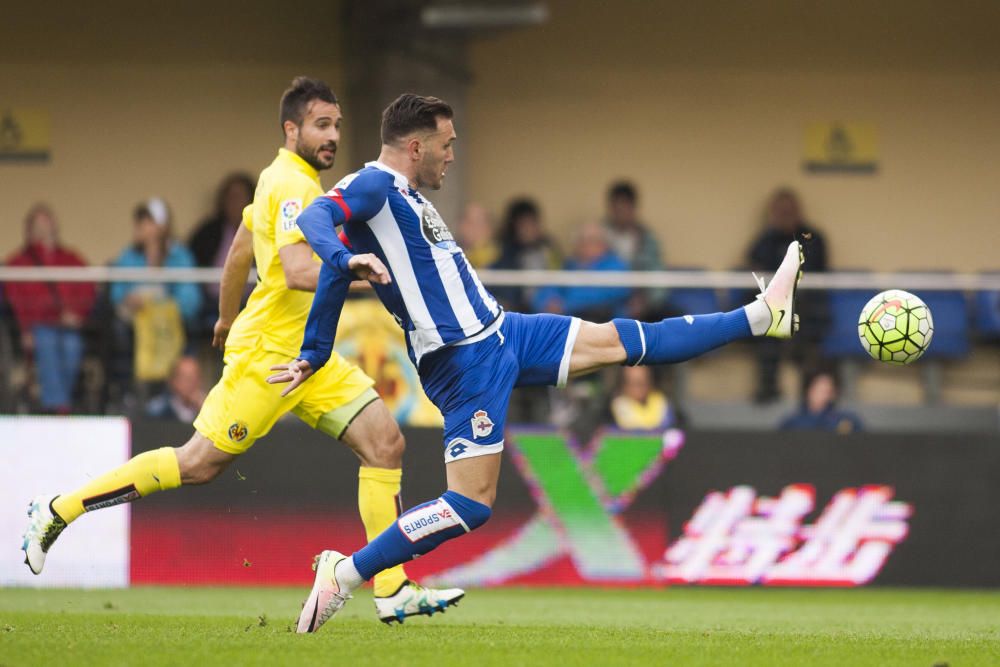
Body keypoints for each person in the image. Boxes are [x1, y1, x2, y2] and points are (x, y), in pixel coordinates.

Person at [268, 93, 806, 632]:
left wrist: (316, 349)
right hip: (462, 362)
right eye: (447, 145)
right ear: (415, 146)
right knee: (471, 503)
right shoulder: (373, 186)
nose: (452, 155)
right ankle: (346, 572)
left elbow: (345, 270)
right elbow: (317, 217)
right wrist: (337, 269)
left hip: (504, 332)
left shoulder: (406, 193)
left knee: (622, 339)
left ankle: (761, 316)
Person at [22, 77, 462, 624]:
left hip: (307, 356)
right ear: (291, 128)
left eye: (337, 126)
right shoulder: (295, 186)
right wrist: (369, 271)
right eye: (322, 125)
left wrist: (227, 317)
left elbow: (237, 254)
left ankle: (392, 588)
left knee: (386, 443)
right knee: (197, 464)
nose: (332, 137)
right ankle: (59, 510)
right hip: (271, 358)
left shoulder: (277, 179)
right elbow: (301, 270)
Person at [4, 204, 96, 413]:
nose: (46, 228)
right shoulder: (18, 263)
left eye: (49, 222)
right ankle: (60, 409)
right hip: (38, 328)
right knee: (46, 339)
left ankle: (57, 405)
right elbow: (16, 301)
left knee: (72, 345)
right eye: (40, 223)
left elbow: (87, 290)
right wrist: (25, 328)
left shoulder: (71, 258)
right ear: (29, 229)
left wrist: (76, 315)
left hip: (68, 327)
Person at [747, 188, 829, 402]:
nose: (785, 215)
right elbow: (758, 271)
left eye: (789, 211)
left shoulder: (812, 238)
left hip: (808, 311)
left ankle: (810, 399)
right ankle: (768, 391)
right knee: (768, 327)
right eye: (780, 211)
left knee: (804, 335)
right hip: (774, 312)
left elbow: (813, 272)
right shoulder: (765, 240)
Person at [188, 173, 256, 321]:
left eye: (239, 197)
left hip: (253, 304)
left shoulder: (262, 230)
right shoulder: (208, 231)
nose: (234, 203)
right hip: (211, 303)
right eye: (230, 197)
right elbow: (193, 261)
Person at [533, 222, 631, 322]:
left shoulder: (615, 265)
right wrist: (549, 302)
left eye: (591, 240)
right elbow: (546, 291)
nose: (584, 245)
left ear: (604, 244)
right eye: (580, 240)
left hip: (605, 325)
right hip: (571, 326)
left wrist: (565, 305)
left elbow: (607, 294)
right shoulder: (569, 265)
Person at [603, 181, 667, 319]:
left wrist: (646, 301)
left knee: (671, 315)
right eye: (617, 208)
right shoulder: (598, 235)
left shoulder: (647, 239)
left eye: (625, 207)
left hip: (641, 300)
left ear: (633, 208)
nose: (621, 213)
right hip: (606, 300)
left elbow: (657, 274)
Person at [490, 198, 561, 312]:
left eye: (532, 223)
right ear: (514, 226)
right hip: (518, 309)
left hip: (546, 304)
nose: (529, 229)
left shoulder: (548, 247)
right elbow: (504, 288)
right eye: (524, 224)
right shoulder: (503, 251)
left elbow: (558, 274)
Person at [779, 367, 862, 433]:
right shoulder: (792, 423)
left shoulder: (847, 420)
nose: (823, 395)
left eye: (827, 391)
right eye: (818, 390)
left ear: (833, 394)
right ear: (808, 390)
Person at [610, 366, 675, 431]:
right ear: (624, 385)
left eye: (644, 382)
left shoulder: (661, 402)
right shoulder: (612, 411)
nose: (640, 388)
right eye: (635, 383)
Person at [145, 355, 207, 422]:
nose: (191, 383)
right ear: (172, 381)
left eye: (195, 378)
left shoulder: (207, 408)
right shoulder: (157, 410)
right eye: (185, 378)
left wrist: (205, 410)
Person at [454, 203, 499, 269]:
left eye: (478, 222)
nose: (471, 228)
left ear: (489, 229)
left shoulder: (503, 262)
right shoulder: (445, 258)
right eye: (467, 221)